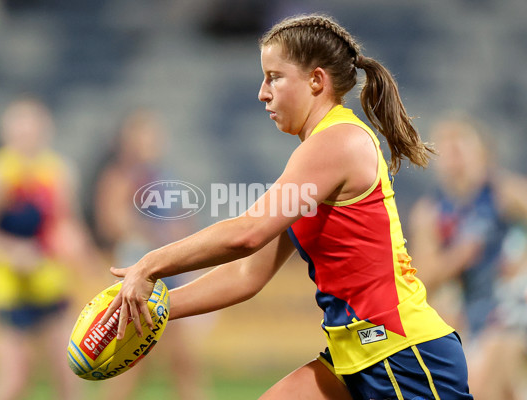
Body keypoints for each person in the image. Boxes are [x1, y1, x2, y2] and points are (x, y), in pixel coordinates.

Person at [100, 14, 473, 399]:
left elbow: (247, 234)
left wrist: (149, 264)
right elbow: (247, 273)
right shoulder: (314, 157)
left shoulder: (338, 141)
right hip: (358, 355)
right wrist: (152, 313)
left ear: (316, 81)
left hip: (399, 353)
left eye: (274, 77)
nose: (263, 92)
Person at [0, 97, 103, 400]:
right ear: (7, 133)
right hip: (8, 291)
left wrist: (91, 265)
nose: (27, 136)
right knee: (14, 380)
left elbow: (68, 226)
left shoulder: (58, 171)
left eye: (33, 129)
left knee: (71, 375)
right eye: (20, 130)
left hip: (52, 286)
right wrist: (13, 252)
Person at [94, 108, 212, 400]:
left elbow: (183, 223)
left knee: (182, 361)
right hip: (138, 278)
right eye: (145, 135)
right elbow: (112, 221)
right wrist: (154, 234)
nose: (152, 142)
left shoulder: (164, 177)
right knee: (133, 361)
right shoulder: (121, 177)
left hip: (168, 276)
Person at [409, 116, 527, 400]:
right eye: (446, 150)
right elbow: (422, 280)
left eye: (461, 148)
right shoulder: (430, 213)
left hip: (511, 307)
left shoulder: (506, 193)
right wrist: (458, 257)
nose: (455, 157)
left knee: (489, 373)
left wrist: (522, 260)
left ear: (482, 155)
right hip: (470, 313)